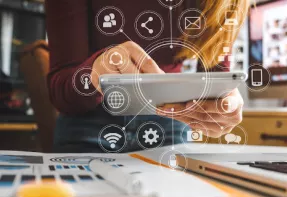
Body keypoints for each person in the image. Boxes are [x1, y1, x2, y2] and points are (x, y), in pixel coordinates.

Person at [45, 0, 248, 153]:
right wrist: (93, 73)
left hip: (169, 122)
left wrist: (223, 105)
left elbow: (216, 80)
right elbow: (60, 91)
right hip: (86, 125)